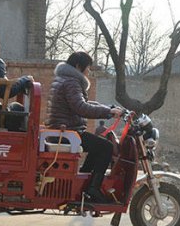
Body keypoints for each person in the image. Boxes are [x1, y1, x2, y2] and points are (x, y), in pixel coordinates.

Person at [45, 51, 123, 203]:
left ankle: (85, 185)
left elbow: (85, 104)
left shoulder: (64, 79)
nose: (89, 71)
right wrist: (108, 112)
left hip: (66, 130)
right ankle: (93, 189)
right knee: (106, 147)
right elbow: (81, 108)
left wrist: (110, 109)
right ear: (78, 66)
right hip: (68, 132)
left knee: (98, 146)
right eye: (88, 67)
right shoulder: (71, 83)